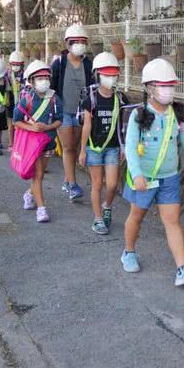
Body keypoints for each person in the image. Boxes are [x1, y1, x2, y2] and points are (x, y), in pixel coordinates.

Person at [121, 58, 184, 286]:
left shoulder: (177, 116)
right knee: (137, 216)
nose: (168, 90)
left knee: (172, 221)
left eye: (171, 85)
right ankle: (129, 252)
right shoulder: (138, 116)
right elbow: (131, 148)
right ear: (149, 88)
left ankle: (182, 269)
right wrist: (137, 173)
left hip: (169, 178)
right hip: (144, 178)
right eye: (163, 85)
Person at [78, 52, 126, 235]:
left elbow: (124, 125)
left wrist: (123, 147)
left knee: (113, 185)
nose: (110, 77)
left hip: (113, 148)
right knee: (97, 184)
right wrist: (82, 151)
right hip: (94, 148)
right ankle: (98, 219)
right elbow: (86, 126)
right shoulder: (90, 99)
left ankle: (107, 205)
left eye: (113, 74)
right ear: (97, 75)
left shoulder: (121, 98)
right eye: (106, 74)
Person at [12, 60, 63, 223]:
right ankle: (41, 209)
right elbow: (16, 120)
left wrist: (47, 127)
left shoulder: (55, 98)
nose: (44, 81)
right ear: (31, 81)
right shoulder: (26, 99)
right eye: (39, 78)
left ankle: (29, 194)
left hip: (48, 142)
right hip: (33, 145)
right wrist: (32, 128)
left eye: (46, 77)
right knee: (39, 175)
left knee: (39, 176)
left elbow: (59, 120)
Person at [51, 24, 94, 201]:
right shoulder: (59, 63)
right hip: (64, 113)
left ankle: (67, 179)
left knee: (74, 147)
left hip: (81, 114)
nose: (78, 44)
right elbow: (51, 89)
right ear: (67, 43)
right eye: (74, 41)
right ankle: (72, 185)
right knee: (68, 147)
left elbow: (92, 88)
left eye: (82, 41)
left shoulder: (88, 65)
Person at [6, 50, 26, 152]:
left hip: (23, 103)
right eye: (13, 65)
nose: (15, 67)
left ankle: (19, 144)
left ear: (22, 65)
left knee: (20, 125)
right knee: (11, 125)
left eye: (18, 65)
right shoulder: (7, 74)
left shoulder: (26, 75)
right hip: (10, 101)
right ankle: (11, 143)